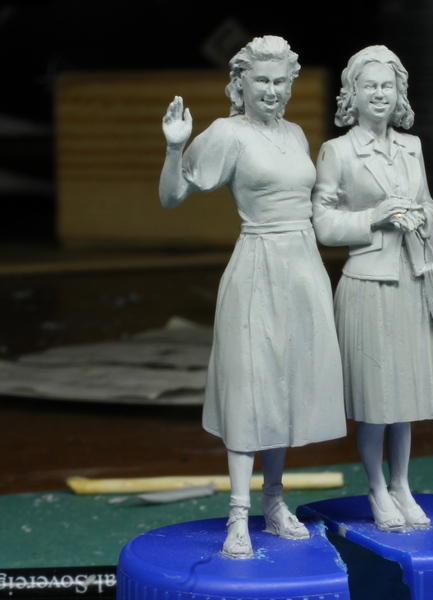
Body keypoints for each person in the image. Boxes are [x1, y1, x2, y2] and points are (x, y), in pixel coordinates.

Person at [159, 35, 346, 558]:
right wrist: (175, 148)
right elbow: (172, 196)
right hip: (258, 266)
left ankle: (274, 501)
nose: (271, 89)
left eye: (280, 80)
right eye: (261, 79)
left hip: (303, 268)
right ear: (239, 84)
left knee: (286, 384)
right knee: (250, 386)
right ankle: (238, 514)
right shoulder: (227, 134)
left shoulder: (296, 134)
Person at [313, 46, 433, 531]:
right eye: (370, 86)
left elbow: (430, 203)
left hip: (410, 279)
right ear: (353, 94)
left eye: (388, 85)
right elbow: (322, 222)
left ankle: (402, 484)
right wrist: (375, 216)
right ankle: (376, 486)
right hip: (367, 284)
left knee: (404, 400)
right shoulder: (338, 151)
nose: (380, 94)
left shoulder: (412, 147)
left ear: (399, 92)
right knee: (375, 401)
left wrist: (420, 215)